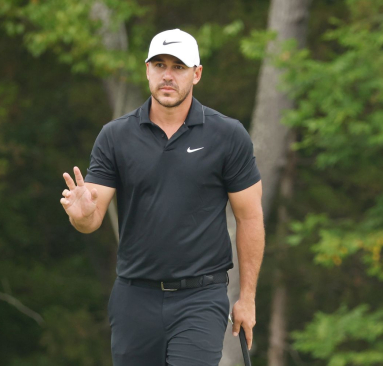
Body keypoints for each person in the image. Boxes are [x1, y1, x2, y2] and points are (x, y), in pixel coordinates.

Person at [60, 28, 264, 366]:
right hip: (134, 297)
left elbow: (249, 217)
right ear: (147, 70)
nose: (167, 75)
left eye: (179, 67)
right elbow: (90, 220)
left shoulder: (227, 135)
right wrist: (81, 214)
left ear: (196, 74)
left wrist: (248, 298)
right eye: (159, 65)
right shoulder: (116, 136)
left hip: (201, 297)